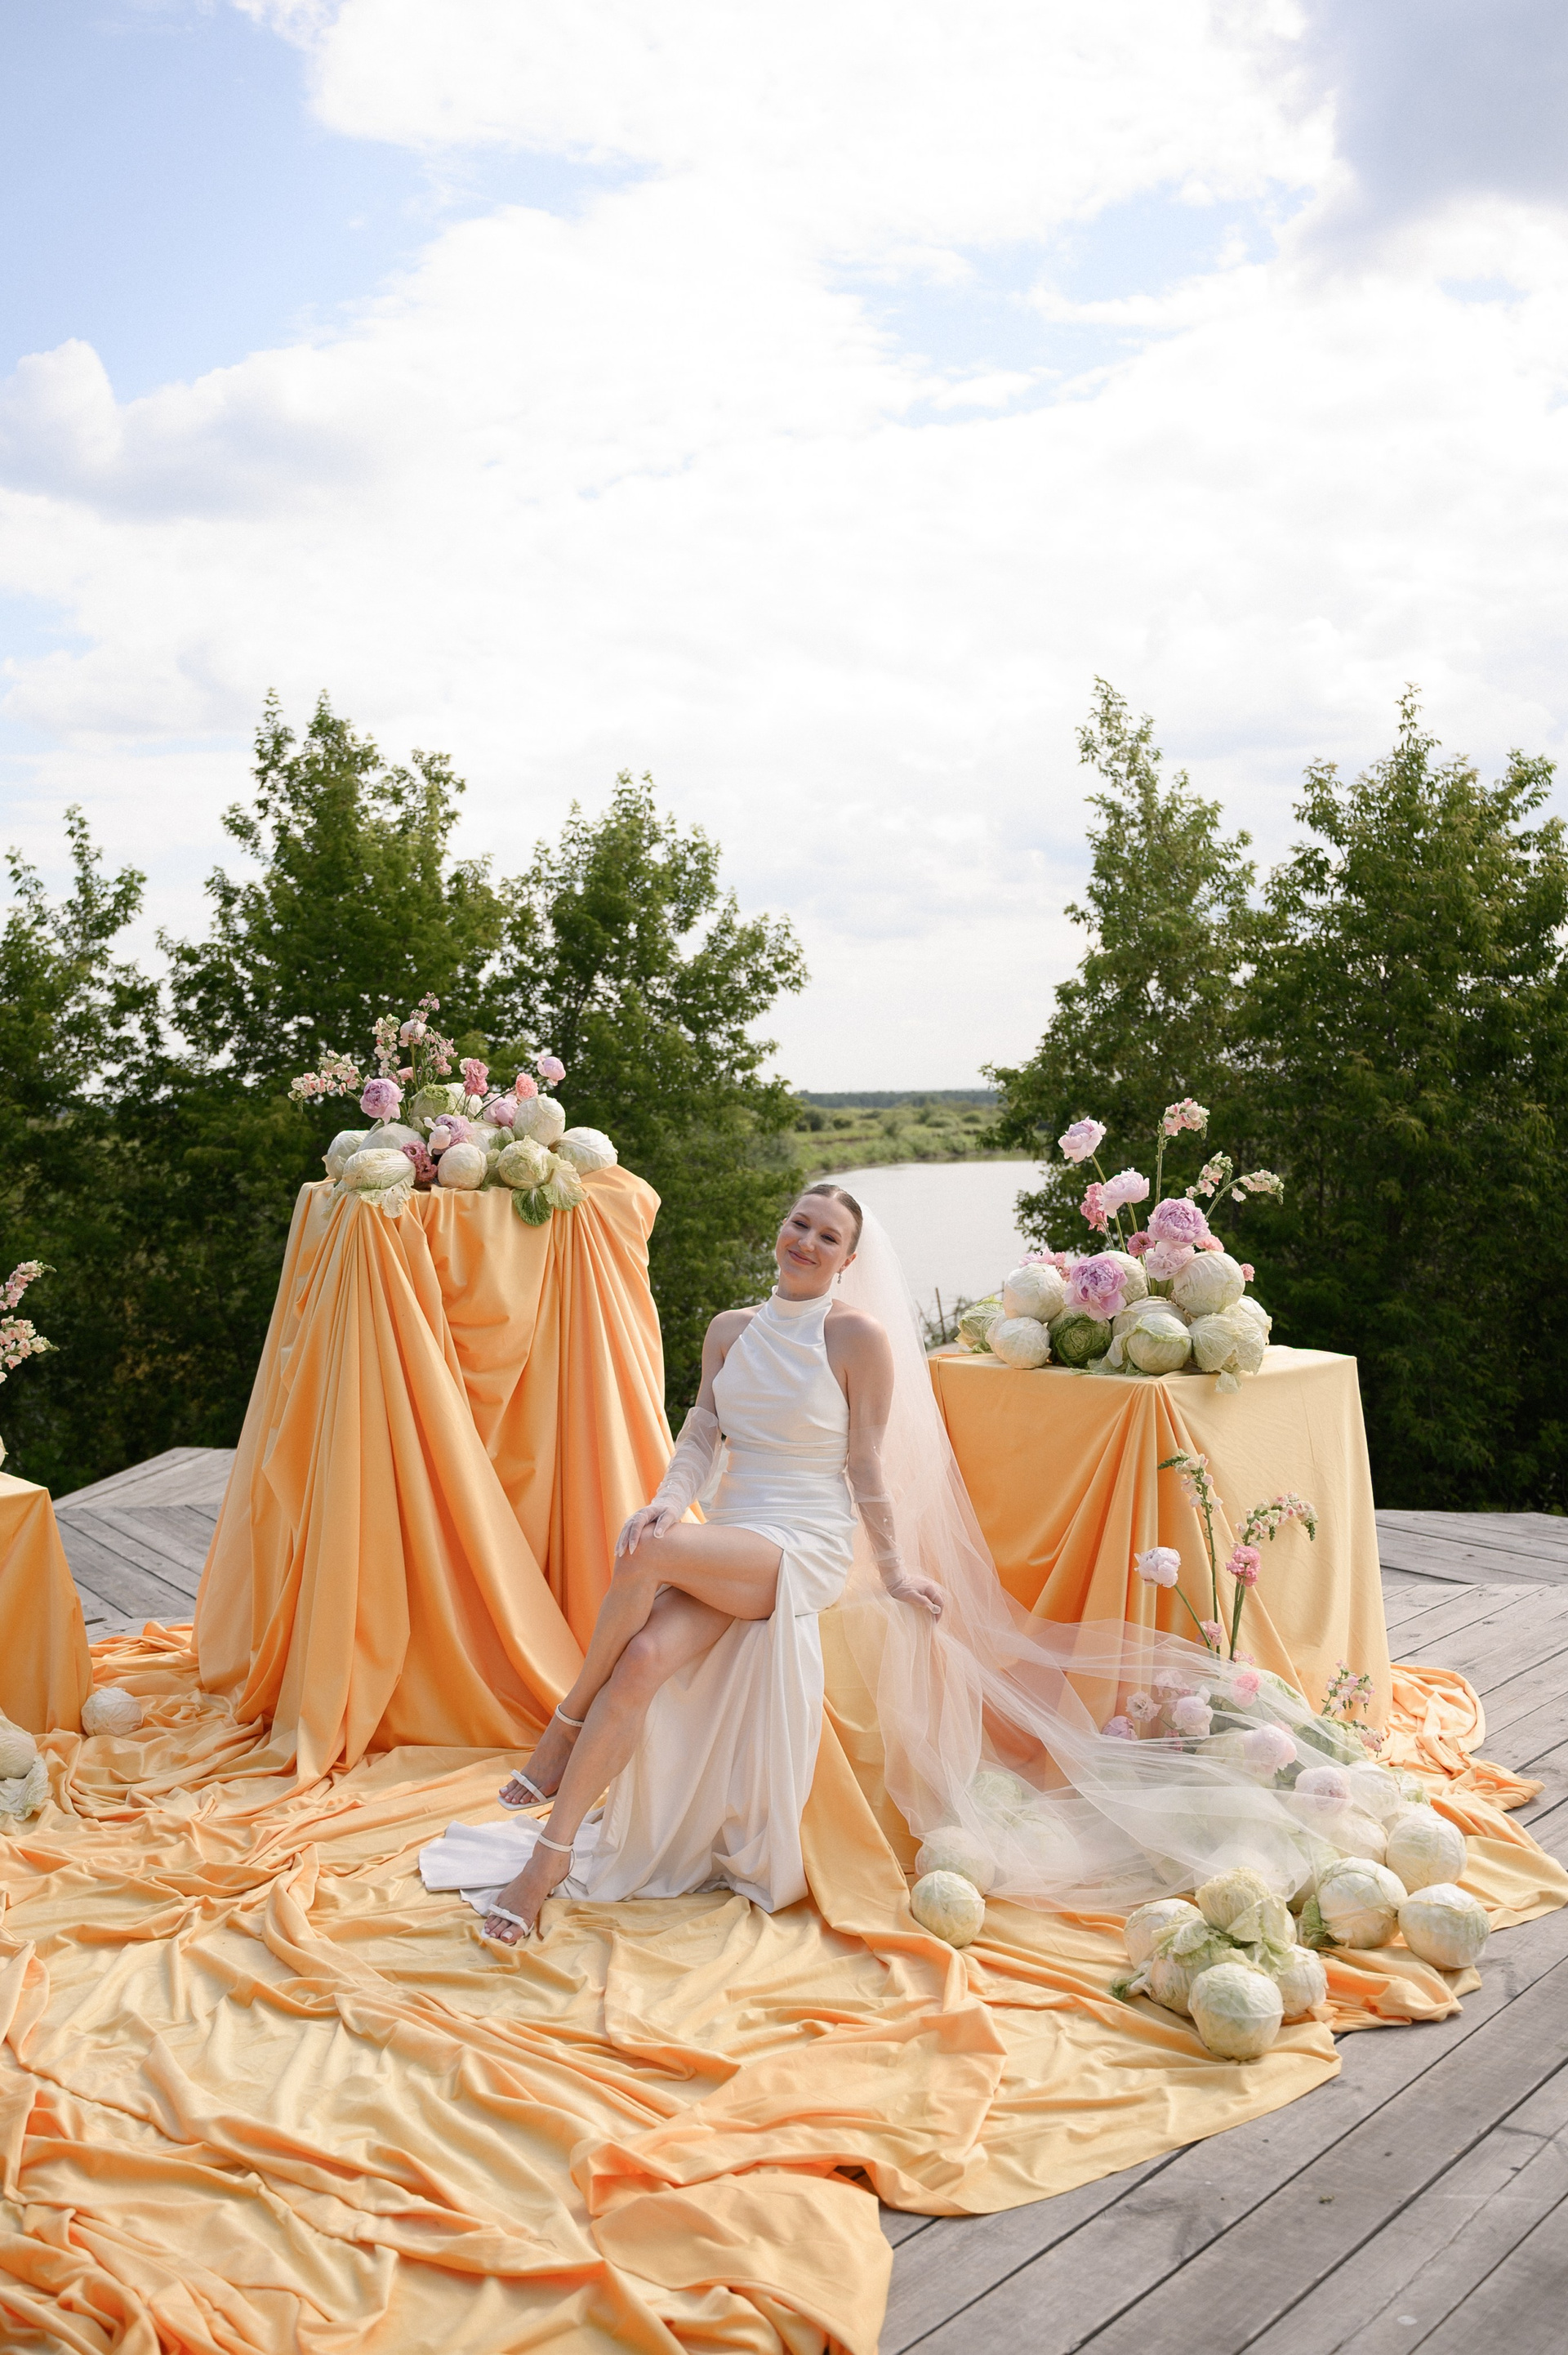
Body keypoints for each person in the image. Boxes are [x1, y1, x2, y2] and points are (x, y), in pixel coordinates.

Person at [428, 1184, 942, 1942]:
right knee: (640, 1658)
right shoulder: (731, 1330)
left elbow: (865, 1461)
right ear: (781, 1226)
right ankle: (547, 1858)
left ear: (849, 1259)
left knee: (646, 1549)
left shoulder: (855, 1336)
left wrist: (895, 1572)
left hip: (805, 1540)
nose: (806, 1241)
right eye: (799, 1222)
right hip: (735, 1531)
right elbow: (702, 1432)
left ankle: (565, 1723)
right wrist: (670, 1501)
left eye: (828, 1236)